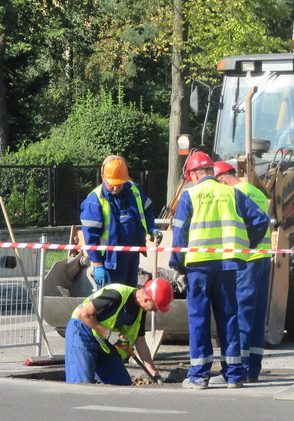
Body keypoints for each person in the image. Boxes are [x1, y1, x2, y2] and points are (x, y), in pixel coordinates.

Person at [170, 151, 270, 390]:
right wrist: (248, 244)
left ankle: (199, 376)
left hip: (198, 268)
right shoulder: (232, 192)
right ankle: (234, 375)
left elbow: (179, 234)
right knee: (229, 317)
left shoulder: (189, 195)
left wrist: (177, 263)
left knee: (199, 320)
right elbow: (261, 220)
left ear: (193, 174)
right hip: (228, 265)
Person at [210, 161, 273, 383]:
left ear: (221, 179)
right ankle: (253, 368)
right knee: (256, 317)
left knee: (240, 315)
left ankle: (239, 369)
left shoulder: (233, 194)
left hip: (246, 261)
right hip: (264, 259)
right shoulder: (254, 191)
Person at [65, 278, 172, 385]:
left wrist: (153, 372)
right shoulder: (116, 294)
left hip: (105, 341)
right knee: (81, 384)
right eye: (156, 307)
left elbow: (141, 342)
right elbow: (84, 314)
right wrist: (109, 335)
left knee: (121, 384)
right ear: (147, 300)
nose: (156, 310)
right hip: (82, 332)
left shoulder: (141, 309)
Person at [80, 155, 161, 288]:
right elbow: (90, 236)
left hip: (132, 255)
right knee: (112, 301)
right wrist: (97, 264)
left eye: (120, 183)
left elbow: (147, 210)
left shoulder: (134, 190)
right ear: (103, 177)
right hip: (109, 260)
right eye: (113, 183)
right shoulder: (94, 201)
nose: (116, 188)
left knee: (129, 297)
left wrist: (151, 227)